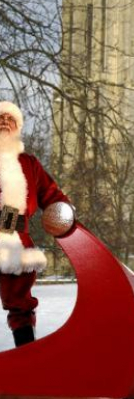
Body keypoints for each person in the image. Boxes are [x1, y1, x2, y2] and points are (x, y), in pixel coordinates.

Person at [0, 102, 71, 348]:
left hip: (18, 241)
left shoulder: (29, 164)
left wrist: (64, 214)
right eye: (0, 118)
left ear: (18, 127)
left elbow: (51, 195)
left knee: (20, 302)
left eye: (10, 120)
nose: (4, 123)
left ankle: (26, 356)